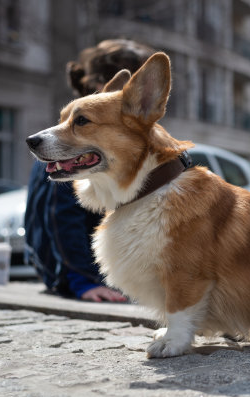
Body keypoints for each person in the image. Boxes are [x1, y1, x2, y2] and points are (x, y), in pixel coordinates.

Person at [25, 39, 154, 302]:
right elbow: (60, 218)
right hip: (69, 273)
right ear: (102, 87)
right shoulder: (70, 147)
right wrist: (81, 280)